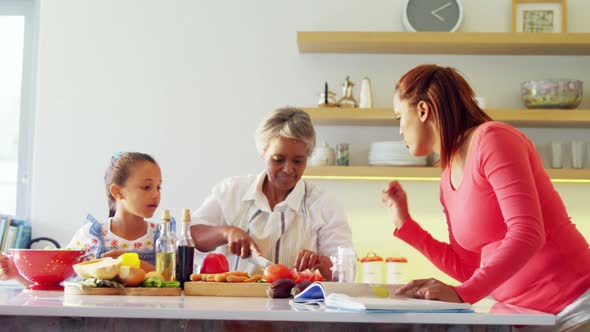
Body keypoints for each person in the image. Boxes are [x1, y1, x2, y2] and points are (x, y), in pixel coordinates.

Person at [382, 64, 590, 331]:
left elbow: (528, 231)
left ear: (422, 110)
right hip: (525, 319)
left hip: (575, 309)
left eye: (399, 116)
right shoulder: (447, 177)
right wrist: (405, 225)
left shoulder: (492, 139)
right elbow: (468, 268)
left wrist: (463, 294)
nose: (399, 130)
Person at [190, 107, 354, 280]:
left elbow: (345, 271)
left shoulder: (323, 203)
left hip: (298, 306)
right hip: (235, 303)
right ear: (263, 152)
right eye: (278, 159)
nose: (288, 169)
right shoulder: (232, 191)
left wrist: (319, 261)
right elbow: (191, 236)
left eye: (298, 161)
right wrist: (226, 232)